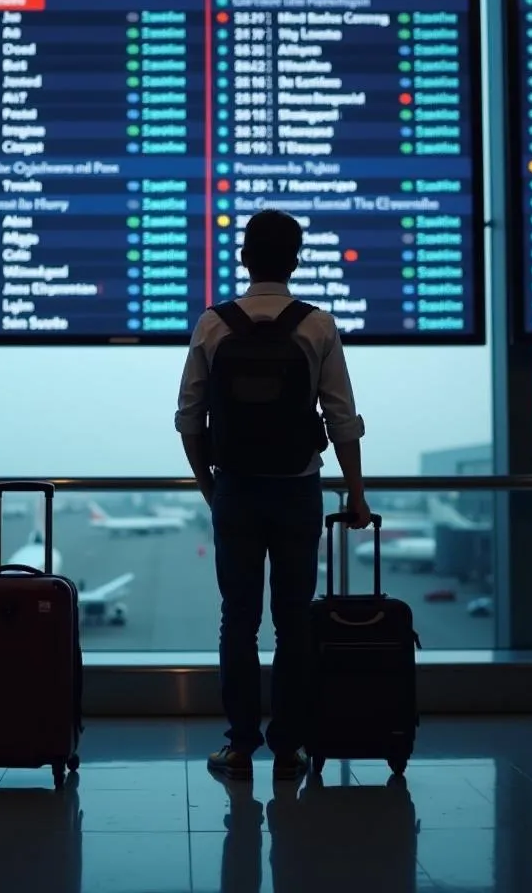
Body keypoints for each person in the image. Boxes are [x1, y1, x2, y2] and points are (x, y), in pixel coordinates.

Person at [174, 209, 371, 782]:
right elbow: (342, 420)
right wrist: (355, 495)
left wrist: (215, 490)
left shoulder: (214, 324)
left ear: (243, 258)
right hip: (298, 492)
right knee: (294, 622)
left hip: (236, 489)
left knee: (238, 619)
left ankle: (239, 747)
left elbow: (190, 421)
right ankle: (289, 749)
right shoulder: (317, 325)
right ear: (295, 260)